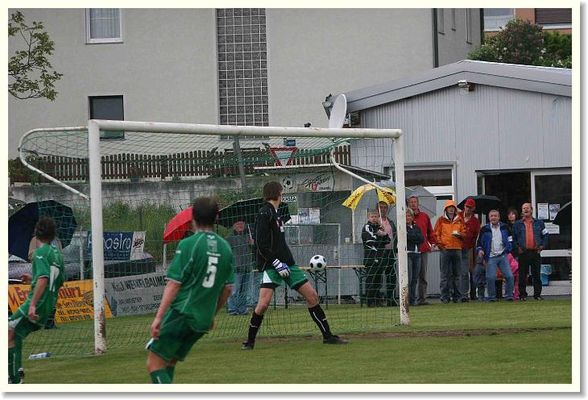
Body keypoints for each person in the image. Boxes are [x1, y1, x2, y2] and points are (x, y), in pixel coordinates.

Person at [241, 181, 347, 350]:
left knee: (312, 297)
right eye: (282, 192)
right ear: (277, 193)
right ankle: (250, 341)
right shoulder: (263, 213)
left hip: (288, 265)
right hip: (272, 266)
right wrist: (276, 263)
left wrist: (284, 262)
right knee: (263, 304)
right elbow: (260, 244)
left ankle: (328, 336)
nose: (283, 195)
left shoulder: (277, 213)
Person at [146, 197, 234, 384]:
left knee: (155, 364)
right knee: (169, 362)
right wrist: (211, 315)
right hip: (202, 320)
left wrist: (159, 318)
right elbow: (227, 289)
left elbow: (173, 284)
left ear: (192, 217)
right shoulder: (226, 248)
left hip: (183, 313)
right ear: (216, 217)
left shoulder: (189, 244)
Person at [9, 217, 65, 384]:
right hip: (48, 305)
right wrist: (32, 278)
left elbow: (43, 278)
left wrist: (32, 304)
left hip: (38, 304)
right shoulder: (57, 255)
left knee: (7, 331)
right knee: (14, 333)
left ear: (36, 234)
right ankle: (16, 372)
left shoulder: (40, 253)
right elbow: (58, 280)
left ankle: (13, 379)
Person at [512, 202, 548, 301]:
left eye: (527, 208)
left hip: (535, 252)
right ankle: (522, 295)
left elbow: (545, 235)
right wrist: (517, 248)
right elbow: (513, 239)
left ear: (531, 210)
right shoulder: (517, 224)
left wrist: (542, 246)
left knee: (536, 274)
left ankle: (537, 295)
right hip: (523, 252)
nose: (526, 210)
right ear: (522, 211)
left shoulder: (539, 223)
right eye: (524, 208)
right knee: (522, 275)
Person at [476, 210, 514, 302]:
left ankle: (509, 296)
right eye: (491, 216)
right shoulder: (484, 229)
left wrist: (509, 248)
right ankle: (492, 297)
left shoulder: (505, 227)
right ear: (489, 218)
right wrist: (480, 250)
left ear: (499, 217)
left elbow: (510, 239)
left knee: (509, 276)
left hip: (502, 255)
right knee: (490, 277)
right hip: (490, 256)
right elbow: (479, 243)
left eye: (495, 216)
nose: (493, 217)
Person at [407, 196, 437, 306]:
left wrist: (433, 243)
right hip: (410, 251)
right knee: (411, 276)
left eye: (415, 202)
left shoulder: (424, 216)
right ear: (408, 204)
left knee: (422, 276)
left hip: (423, 249)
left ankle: (422, 298)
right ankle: (411, 299)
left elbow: (430, 231)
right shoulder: (405, 217)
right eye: (411, 202)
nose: (413, 204)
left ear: (418, 203)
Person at [434, 200, 465, 304]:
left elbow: (464, 233)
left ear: (455, 209)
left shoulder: (460, 220)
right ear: (446, 209)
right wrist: (440, 245)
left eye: (453, 208)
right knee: (444, 275)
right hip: (445, 249)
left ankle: (457, 297)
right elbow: (436, 234)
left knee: (457, 275)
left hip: (457, 249)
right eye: (449, 208)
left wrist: (460, 235)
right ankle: (445, 297)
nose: (451, 209)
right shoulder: (440, 220)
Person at [361, 209, 391, 307]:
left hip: (380, 257)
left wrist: (384, 233)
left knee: (379, 280)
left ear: (378, 217)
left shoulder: (379, 227)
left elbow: (388, 240)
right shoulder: (367, 227)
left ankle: (378, 300)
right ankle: (370, 301)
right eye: (372, 217)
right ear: (368, 217)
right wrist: (378, 235)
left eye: (375, 217)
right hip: (371, 258)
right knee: (371, 279)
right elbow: (370, 240)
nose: (374, 219)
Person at [226, 220, 255, 315]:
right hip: (235, 269)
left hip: (247, 268)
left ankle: (242, 309)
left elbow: (254, 251)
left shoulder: (249, 237)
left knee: (244, 291)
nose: (240, 225)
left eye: (242, 223)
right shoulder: (229, 238)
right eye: (237, 224)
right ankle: (232, 309)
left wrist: (253, 244)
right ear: (233, 226)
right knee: (235, 291)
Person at [457, 198, 480, 302]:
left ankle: (468, 294)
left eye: (470, 207)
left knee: (468, 271)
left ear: (473, 208)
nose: (467, 209)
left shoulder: (475, 221)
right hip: (455, 247)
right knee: (458, 272)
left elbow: (475, 236)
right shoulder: (458, 216)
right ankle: (459, 294)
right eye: (466, 207)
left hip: (468, 248)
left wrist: (471, 246)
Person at [376, 201, 398, 306]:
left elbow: (394, 235)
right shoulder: (375, 222)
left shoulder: (391, 222)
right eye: (381, 207)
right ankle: (378, 299)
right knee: (378, 276)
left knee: (391, 276)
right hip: (380, 252)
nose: (383, 209)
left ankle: (391, 298)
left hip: (390, 251)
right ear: (377, 209)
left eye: (385, 207)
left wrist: (396, 248)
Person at [406, 208, 424, 307]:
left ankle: (413, 300)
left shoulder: (416, 227)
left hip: (417, 254)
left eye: (409, 216)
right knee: (408, 278)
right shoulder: (403, 227)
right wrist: (414, 237)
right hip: (408, 253)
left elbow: (421, 239)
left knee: (415, 278)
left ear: (412, 217)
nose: (408, 218)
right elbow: (408, 238)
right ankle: (407, 300)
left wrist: (413, 236)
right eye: (406, 216)